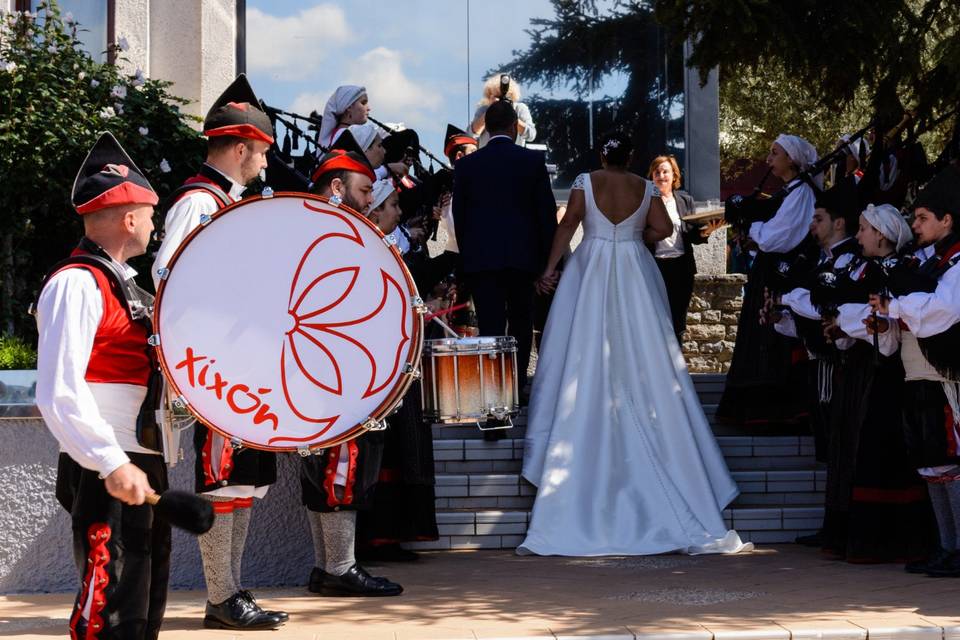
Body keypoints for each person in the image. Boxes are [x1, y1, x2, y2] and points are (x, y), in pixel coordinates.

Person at [518, 132, 752, 556]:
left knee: (577, 343)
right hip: (633, 268)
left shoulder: (585, 183)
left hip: (590, 266)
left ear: (602, 156)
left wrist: (550, 268)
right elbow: (663, 229)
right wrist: (634, 236)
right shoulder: (646, 188)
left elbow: (568, 224)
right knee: (645, 344)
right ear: (631, 158)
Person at [151, 74, 286, 631]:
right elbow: (167, 276)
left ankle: (231, 592)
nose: (263, 163)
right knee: (223, 477)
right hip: (213, 367)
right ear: (238, 148)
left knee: (246, 481)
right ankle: (222, 595)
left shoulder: (230, 201)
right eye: (259, 152)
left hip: (242, 363)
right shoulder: (197, 202)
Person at [35, 132, 167, 638]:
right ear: (130, 218)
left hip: (138, 459)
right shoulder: (76, 282)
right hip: (107, 466)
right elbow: (57, 390)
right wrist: (111, 462)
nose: (154, 226)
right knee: (107, 609)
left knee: (140, 607)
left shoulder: (121, 279)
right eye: (151, 215)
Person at [299, 150, 403, 596]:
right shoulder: (329, 231)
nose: (368, 201)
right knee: (341, 467)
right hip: (336, 370)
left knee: (324, 470)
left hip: (319, 369)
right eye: (363, 191)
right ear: (337, 189)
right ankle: (339, 568)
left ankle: (328, 567)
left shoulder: (307, 227)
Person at [813, 204, 933, 563]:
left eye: (864, 229)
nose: (859, 235)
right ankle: (847, 534)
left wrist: (858, 321)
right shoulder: (864, 268)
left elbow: (886, 322)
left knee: (879, 449)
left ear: (880, 234)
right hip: (860, 368)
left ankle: (886, 541)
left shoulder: (895, 270)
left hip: (885, 375)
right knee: (853, 444)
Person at [870, 165, 960, 575]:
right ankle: (946, 545)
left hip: (944, 377)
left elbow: (943, 311)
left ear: (947, 220)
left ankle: (957, 548)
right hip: (917, 374)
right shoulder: (932, 263)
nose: (915, 225)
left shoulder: (956, 262)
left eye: (923, 217)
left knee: (948, 460)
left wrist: (897, 307)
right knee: (930, 462)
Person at [451, 100, 557, 411]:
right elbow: (545, 214)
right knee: (522, 322)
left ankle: (495, 391)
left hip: (483, 261)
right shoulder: (531, 162)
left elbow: (461, 216)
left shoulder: (468, 165)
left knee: (490, 325)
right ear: (514, 127)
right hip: (523, 260)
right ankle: (518, 383)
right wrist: (545, 263)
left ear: (488, 127)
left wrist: (468, 258)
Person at [356, 179, 440, 561]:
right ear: (374, 213)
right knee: (381, 456)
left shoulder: (386, 248)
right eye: (391, 205)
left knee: (399, 453)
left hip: (396, 364)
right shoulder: (365, 248)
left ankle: (392, 537)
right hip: (375, 369)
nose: (399, 212)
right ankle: (372, 541)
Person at [716, 134, 820, 426]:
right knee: (761, 335)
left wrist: (753, 230)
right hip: (769, 271)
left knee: (773, 337)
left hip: (782, 275)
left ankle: (778, 411)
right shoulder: (790, 191)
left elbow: (778, 236)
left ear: (792, 159)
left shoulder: (802, 193)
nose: (769, 160)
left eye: (775, 153)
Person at [648, 154, 722, 340]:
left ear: (674, 176)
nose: (661, 176)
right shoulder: (646, 201)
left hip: (681, 267)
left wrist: (707, 231)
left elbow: (691, 235)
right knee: (656, 319)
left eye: (665, 171)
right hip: (655, 266)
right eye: (657, 172)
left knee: (678, 321)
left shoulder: (685, 201)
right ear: (652, 176)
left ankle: (676, 364)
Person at [470, 73, 536, 147]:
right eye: (497, 96)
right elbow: (471, 134)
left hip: (514, 155)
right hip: (489, 156)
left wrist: (511, 114)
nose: (501, 100)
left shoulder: (519, 108)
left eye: (504, 97)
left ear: (512, 96)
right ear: (490, 96)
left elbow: (531, 135)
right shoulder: (484, 109)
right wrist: (490, 111)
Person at [319, 85, 370, 149]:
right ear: (349, 107)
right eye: (363, 103)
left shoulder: (341, 135)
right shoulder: (343, 137)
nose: (369, 108)